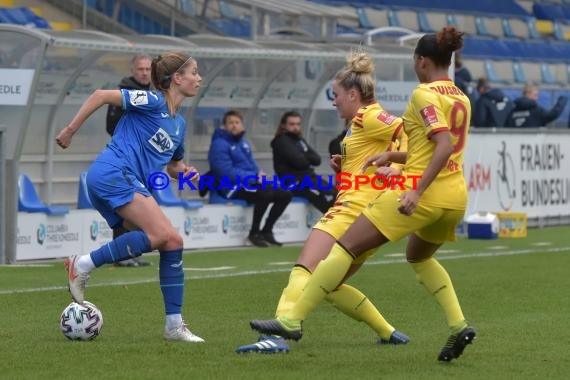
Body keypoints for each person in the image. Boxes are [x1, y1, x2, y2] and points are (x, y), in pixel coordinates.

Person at [249, 26, 477, 363]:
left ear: (422, 61)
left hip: (407, 195)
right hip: (454, 195)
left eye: (337, 94)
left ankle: (289, 321)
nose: (335, 100)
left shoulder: (416, 97)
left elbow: (434, 143)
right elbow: (429, 147)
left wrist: (409, 182)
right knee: (414, 259)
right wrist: (389, 158)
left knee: (330, 256)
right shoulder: (462, 97)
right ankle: (453, 326)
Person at [236, 51, 409, 354]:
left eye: (337, 95)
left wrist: (394, 168)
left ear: (353, 94)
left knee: (304, 269)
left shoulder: (370, 115)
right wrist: (347, 165)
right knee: (328, 284)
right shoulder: (359, 122)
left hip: (351, 211)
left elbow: (408, 134)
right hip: (368, 215)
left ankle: (278, 336)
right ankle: (388, 332)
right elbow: (378, 154)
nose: (334, 101)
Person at [55, 52, 205, 343]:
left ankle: (174, 326)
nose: (199, 78)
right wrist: (71, 130)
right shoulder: (152, 101)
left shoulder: (179, 124)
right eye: (194, 72)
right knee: (165, 234)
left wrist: (186, 173)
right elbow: (100, 95)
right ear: (176, 78)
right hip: (114, 172)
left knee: (171, 242)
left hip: (121, 180)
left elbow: (174, 166)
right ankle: (82, 264)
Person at [208, 109, 292, 248]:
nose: (234, 125)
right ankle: (254, 234)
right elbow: (224, 172)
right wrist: (254, 178)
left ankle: (267, 231)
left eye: (237, 122)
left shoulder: (243, 143)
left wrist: (260, 174)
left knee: (285, 194)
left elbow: (251, 164)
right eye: (230, 123)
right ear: (224, 126)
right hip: (230, 187)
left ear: (242, 125)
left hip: (248, 183)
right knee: (265, 193)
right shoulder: (219, 144)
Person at [106, 54, 152, 268]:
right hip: (124, 158)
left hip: (143, 159)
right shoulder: (122, 92)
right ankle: (120, 254)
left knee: (141, 205)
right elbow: (111, 125)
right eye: (140, 69)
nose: (144, 72)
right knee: (123, 204)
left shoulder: (152, 93)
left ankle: (134, 250)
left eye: (148, 69)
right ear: (133, 70)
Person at [270, 110, 337, 213]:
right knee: (326, 199)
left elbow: (317, 160)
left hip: (310, 178)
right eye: (292, 124)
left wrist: (302, 155)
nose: (295, 127)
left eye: (298, 124)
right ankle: (333, 224)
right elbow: (300, 162)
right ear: (284, 125)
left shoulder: (299, 140)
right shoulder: (281, 141)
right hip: (294, 182)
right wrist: (305, 155)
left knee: (336, 193)